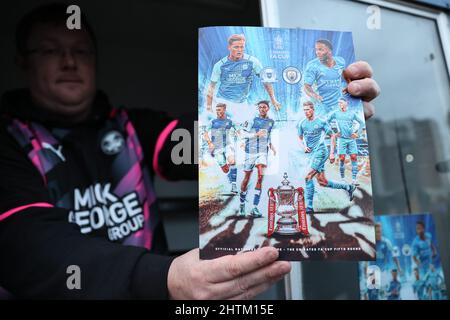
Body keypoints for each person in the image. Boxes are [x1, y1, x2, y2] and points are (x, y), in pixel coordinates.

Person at [0, 4, 380, 299]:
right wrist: (160, 279)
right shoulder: (10, 140)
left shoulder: (129, 127)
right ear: (23, 62)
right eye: (52, 50)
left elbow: (196, 143)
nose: (69, 62)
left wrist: (334, 115)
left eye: (81, 51)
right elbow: (27, 247)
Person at [205, 34, 281, 123]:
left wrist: (273, 100)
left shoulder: (253, 62)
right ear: (229, 47)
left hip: (241, 104)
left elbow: (266, 81)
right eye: (236, 47)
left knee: (242, 131)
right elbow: (211, 86)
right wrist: (209, 107)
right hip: (223, 101)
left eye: (242, 47)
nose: (239, 50)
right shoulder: (220, 65)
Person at [297, 101, 356, 214]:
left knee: (308, 177)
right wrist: (304, 146)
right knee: (322, 181)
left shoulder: (321, 122)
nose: (306, 112)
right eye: (304, 110)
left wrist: (332, 153)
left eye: (308, 109)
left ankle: (308, 208)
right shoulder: (302, 123)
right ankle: (348, 187)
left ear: (313, 110)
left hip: (321, 152)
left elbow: (332, 135)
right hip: (312, 154)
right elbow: (299, 138)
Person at [239, 100, 276, 217]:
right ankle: (242, 204)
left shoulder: (271, 122)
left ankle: (255, 207)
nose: (262, 109)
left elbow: (268, 135)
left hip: (262, 152)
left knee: (260, 176)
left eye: (264, 107)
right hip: (250, 152)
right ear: (258, 109)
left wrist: (271, 145)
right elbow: (242, 134)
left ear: (268, 108)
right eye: (260, 107)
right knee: (246, 178)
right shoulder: (252, 120)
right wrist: (255, 135)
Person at [327, 98, 365, 185]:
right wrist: (334, 132)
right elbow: (326, 122)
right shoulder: (336, 113)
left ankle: (354, 180)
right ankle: (342, 179)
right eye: (338, 103)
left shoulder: (351, 113)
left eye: (341, 103)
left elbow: (362, 123)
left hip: (351, 139)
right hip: (341, 139)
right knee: (342, 158)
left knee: (354, 157)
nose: (339, 104)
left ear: (346, 103)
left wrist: (357, 134)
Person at [202, 103, 239, 193]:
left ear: (224, 109)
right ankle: (230, 173)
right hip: (217, 148)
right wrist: (210, 143)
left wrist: (238, 134)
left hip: (227, 145)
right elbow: (205, 133)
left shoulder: (230, 121)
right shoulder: (212, 122)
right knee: (225, 170)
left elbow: (238, 130)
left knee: (232, 161)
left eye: (219, 109)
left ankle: (234, 185)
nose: (218, 111)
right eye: (217, 110)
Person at [303, 39, 346, 116]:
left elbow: (344, 73)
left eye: (320, 49)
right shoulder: (312, 65)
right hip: (322, 107)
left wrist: (348, 85)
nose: (317, 52)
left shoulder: (340, 61)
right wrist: (315, 95)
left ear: (329, 51)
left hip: (337, 105)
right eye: (316, 50)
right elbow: (306, 86)